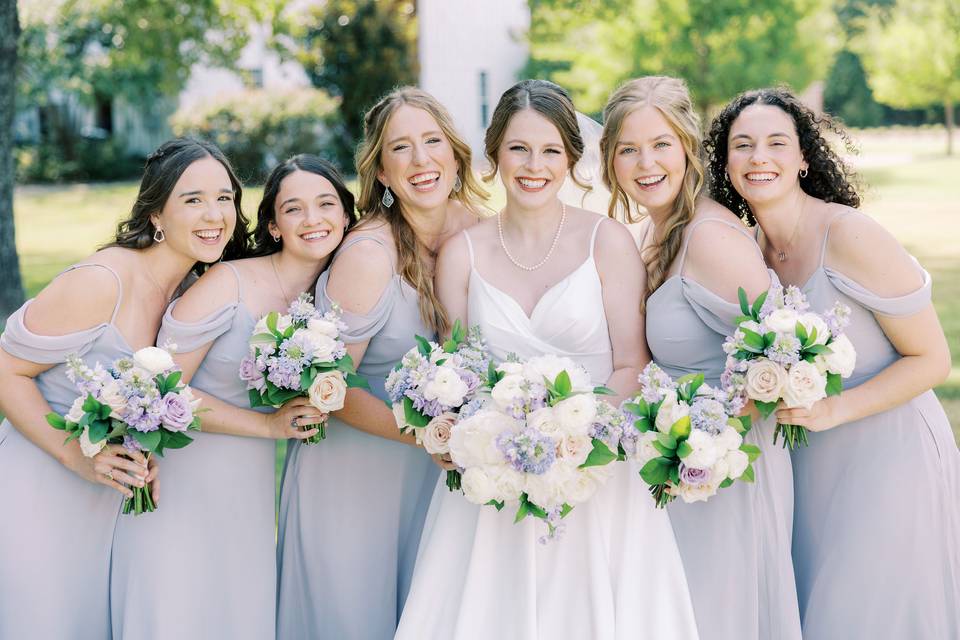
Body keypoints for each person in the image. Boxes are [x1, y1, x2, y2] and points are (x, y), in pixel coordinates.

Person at [395, 79, 699, 640]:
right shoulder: (462, 253)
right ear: (494, 155)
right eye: (518, 148)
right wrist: (465, 434)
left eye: (550, 150)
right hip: (492, 480)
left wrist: (574, 443)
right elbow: (456, 373)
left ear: (572, 160)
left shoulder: (606, 241)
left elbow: (632, 362)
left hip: (597, 471)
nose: (534, 165)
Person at [706, 87, 959, 639]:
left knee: (868, 612)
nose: (758, 157)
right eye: (742, 145)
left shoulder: (849, 235)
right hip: (808, 465)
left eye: (776, 143)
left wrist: (836, 408)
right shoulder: (745, 247)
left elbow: (933, 358)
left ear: (803, 157)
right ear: (726, 162)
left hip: (890, 455)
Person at [0, 138, 247, 639]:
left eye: (225, 198)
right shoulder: (102, 281)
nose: (215, 214)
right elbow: (6, 371)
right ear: (156, 213)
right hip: (40, 487)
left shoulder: (187, 295)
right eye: (193, 199)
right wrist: (77, 457)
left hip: (106, 497)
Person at [111, 154, 351, 639]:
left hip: (248, 487)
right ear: (274, 225)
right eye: (294, 209)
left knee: (237, 613)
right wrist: (266, 425)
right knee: (177, 610)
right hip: (182, 479)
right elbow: (159, 390)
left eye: (326, 204)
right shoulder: (229, 282)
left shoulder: (331, 297)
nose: (313, 220)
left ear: (346, 217)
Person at [275, 88, 487, 640]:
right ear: (383, 172)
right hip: (357, 473)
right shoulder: (369, 254)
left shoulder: (483, 230)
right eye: (401, 149)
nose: (421, 161)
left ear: (455, 152)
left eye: (432, 142)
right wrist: (437, 440)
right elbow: (330, 388)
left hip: (443, 475)